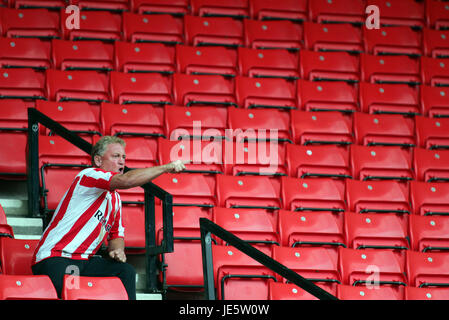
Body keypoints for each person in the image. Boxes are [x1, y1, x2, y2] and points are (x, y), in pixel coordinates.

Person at [31, 136, 187, 300]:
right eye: (116, 156)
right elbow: (126, 180)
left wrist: (117, 250)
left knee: (125, 271)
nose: (122, 162)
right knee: (77, 288)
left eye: (124, 157)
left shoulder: (115, 199)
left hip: (84, 261)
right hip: (56, 257)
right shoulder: (89, 175)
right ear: (98, 160)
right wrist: (165, 168)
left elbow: (116, 235)